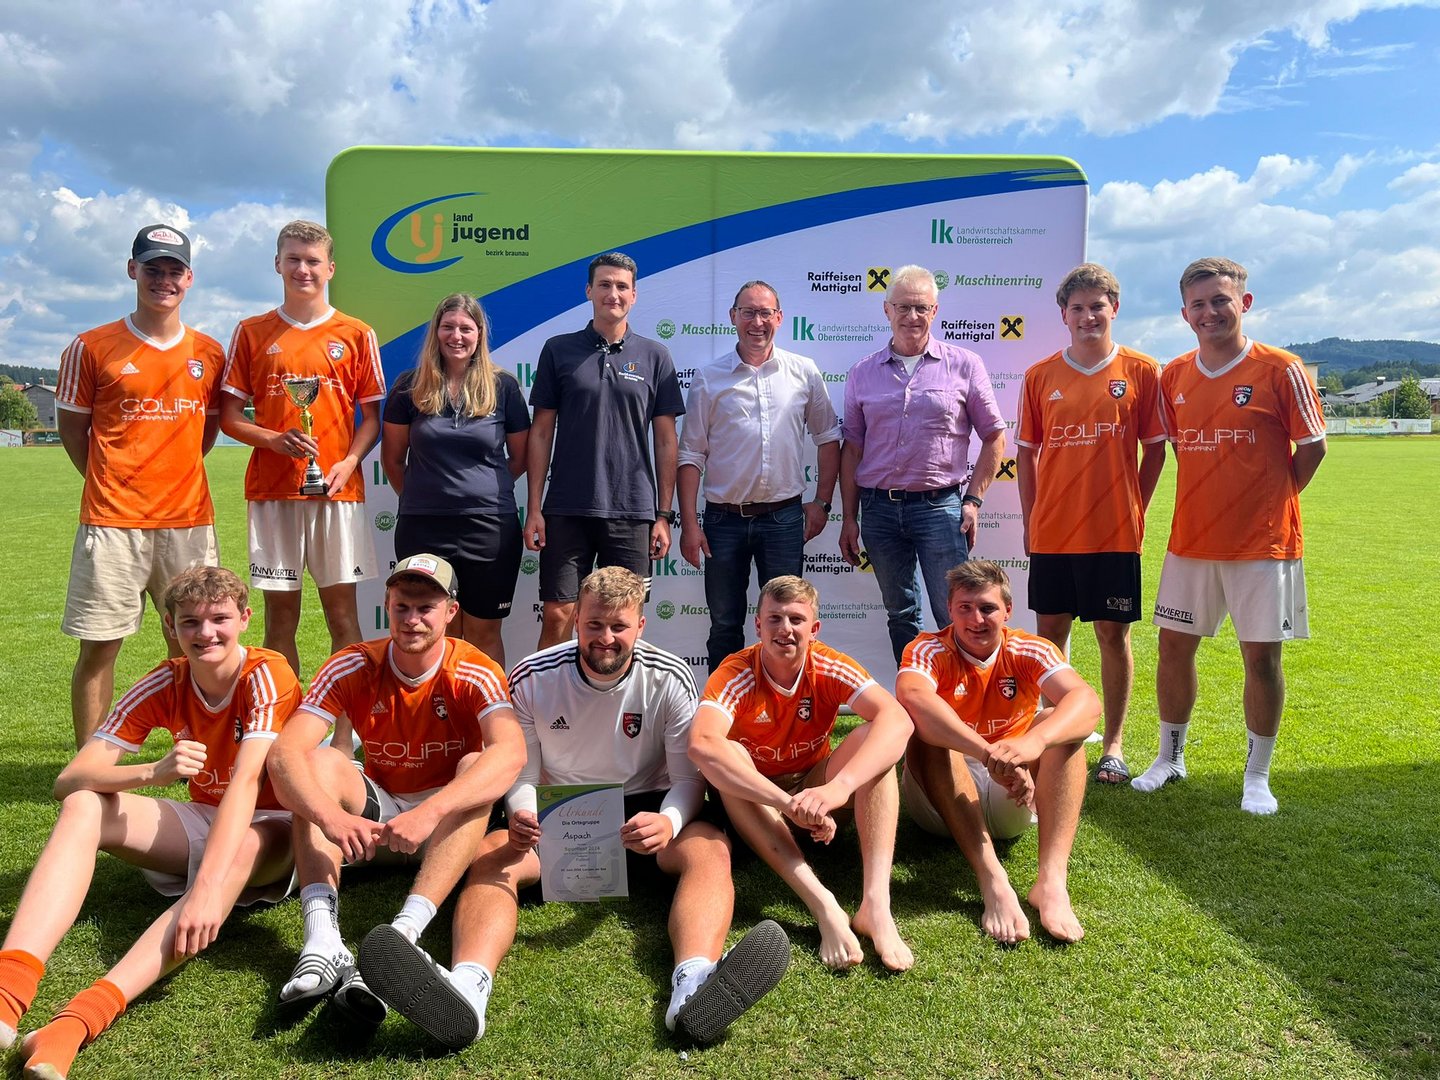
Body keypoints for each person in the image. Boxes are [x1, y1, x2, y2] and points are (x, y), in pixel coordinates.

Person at [355, 566, 788, 1048]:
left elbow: (688, 779)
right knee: (490, 857)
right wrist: (522, 812)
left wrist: (668, 822)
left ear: (641, 626)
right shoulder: (532, 676)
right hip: (557, 815)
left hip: (645, 813)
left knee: (709, 849)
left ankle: (694, 982)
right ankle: (468, 987)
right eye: (594, 624)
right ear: (576, 618)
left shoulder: (670, 676)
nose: (606, 638)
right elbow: (521, 773)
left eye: (619, 626)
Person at [1, 567, 300, 1078]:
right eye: (191, 622)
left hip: (277, 825)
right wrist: (152, 773)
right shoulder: (166, 679)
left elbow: (247, 782)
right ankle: (9, 990)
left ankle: (75, 1023)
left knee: (243, 848)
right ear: (170, 625)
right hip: (207, 815)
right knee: (85, 805)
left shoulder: (267, 673)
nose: (206, 633)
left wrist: (206, 888)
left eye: (220, 619)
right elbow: (69, 780)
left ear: (245, 619)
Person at [266, 555, 525, 1024]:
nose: (412, 619)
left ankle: (404, 934)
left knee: (477, 765)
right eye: (402, 606)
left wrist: (430, 812)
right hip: (375, 825)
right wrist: (331, 817)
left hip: (444, 830)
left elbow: (510, 753)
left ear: (451, 612)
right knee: (320, 762)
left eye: (426, 608)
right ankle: (321, 942)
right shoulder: (352, 663)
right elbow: (284, 755)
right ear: (386, 604)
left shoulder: (475, 668)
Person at [1132, 258, 1327, 814]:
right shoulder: (1174, 376)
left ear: (1245, 302)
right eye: (1198, 304)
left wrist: (1273, 500)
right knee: (1173, 648)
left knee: (1261, 659)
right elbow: (1176, 447)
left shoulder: (1281, 368)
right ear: (1184, 313)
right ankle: (1170, 757)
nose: (1210, 312)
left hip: (1263, 544)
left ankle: (1257, 776)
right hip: (1190, 542)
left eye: (1220, 300)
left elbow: (1313, 448)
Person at [689, 576, 914, 972]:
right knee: (729, 755)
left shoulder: (827, 663)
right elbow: (701, 744)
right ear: (758, 625)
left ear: (815, 629)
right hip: (759, 803)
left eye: (796, 619)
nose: (785, 629)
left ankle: (876, 904)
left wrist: (839, 788)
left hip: (816, 792)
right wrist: (785, 803)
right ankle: (822, 904)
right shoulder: (737, 671)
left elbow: (898, 720)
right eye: (775, 618)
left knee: (876, 744)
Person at [55, 224, 225, 748]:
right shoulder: (90, 347)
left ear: (190, 278)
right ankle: (90, 767)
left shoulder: (209, 352)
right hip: (112, 524)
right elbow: (73, 432)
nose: (163, 280)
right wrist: (113, 481)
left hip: (189, 523)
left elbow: (205, 435)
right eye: (153, 269)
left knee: (193, 645)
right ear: (133, 270)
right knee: (100, 648)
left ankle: (195, 755)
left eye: (175, 271)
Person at [1015, 264, 1166, 785]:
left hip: (1113, 532)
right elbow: (1027, 454)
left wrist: (1135, 506)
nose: (1087, 316)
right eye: (1077, 308)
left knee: (1112, 635)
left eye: (1096, 306)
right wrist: (1031, 519)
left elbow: (1155, 450)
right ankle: (1051, 733)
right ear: (1064, 315)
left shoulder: (1142, 370)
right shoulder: (1039, 376)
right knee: (1049, 638)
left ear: (1114, 308)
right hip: (1054, 531)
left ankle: (1115, 744)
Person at [896, 560, 1099, 945]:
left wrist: (1031, 744)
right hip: (939, 805)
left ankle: (1051, 883)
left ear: (1007, 610)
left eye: (987, 608)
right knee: (927, 730)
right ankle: (993, 879)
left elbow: (1086, 701)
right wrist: (992, 755)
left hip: (1012, 794)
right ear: (949, 609)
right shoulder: (927, 647)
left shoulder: (1029, 647)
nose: (976, 619)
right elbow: (913, 697)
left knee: (1060, 726)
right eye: (965, 608)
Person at [220, 219, 386, 678]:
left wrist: (349, 462)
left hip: (336, 491)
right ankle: (280, 714)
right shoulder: (251, 331)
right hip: (273, 493)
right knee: (279, 621)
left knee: (343, 617)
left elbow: (371, 418)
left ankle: (344, 718)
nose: (303, 269)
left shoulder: (356, 333)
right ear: (277, 264)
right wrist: (274, 440)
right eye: (293, 259)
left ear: (330, 268)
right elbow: (229, 418)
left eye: (313, 261)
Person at [839, 265, 1007, 664]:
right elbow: (853, 448)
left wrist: (973, 500)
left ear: (935, 311)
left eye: (921, 307)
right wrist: (848, 517)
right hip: (878, 510)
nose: (911, 316)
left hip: (940, 509)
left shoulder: (965, 364)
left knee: (956, 613)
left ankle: (961, 696)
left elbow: (994, 436)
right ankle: (914, 695)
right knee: (901, 614)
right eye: (903, 307)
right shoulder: (862, 372)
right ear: (886, 310)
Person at [524, 252, 685, 649]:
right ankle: (549, 692)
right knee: (559, 615)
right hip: (567, 507)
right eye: (604, 285)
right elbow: (540, 433)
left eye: (621, 286)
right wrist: (534, 508)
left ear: (634, 295)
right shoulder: (557, 349)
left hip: (632, 511)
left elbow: (666, 440)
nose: (613, 293)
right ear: (589, 291)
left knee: (622, 621)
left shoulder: (656, 355)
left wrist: (663, 515)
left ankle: (614, 693)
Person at [677, 280, 840, 671]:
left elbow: (828, 437)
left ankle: (786, 701)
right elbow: (691, 453)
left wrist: (822, 503)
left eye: (765, 313)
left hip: (784, 520)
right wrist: (689, 525)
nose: (757, 322)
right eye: (748, 312)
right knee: (724, 625)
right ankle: (722, 703)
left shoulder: (803, 371)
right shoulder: (709, 377)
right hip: (723, 522)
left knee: (788, 624)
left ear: (779, 318)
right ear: (733, 317)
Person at [381, 293, 530, 666]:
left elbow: (520, 458)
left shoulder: (504, 387)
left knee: (483, 634)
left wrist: (480, 490)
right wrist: (423, 496)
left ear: (479, 334)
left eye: (466, 328)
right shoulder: (409, 386)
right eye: (448, 327)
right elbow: (393, 460)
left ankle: (485, 703)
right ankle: (436, 705)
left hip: (489, 529)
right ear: (436, 331)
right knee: (430, 632)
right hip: (423, 528)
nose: (456, 336)